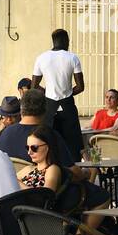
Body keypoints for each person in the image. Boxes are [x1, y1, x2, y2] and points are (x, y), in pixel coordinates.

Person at [17, 124, 114, 235]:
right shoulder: (28, 169)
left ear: (48, 146)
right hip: (21, 214)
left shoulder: (52, 169)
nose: (29, 152)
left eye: (34, 148)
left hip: (34, 217)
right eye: (27, 148)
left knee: (101, 197)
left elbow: (46, 195)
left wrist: (18, 184)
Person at [32, 28, 85, 160]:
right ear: (66, 41)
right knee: (73, 145)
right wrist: (67, 94)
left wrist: (47, 93)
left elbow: (34, 86)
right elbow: (80, 86)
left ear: (53, 41)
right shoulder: (72, 58)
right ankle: (74, 174)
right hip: (68, 107)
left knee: (48, 143)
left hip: (49, 107)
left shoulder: (41, 58)